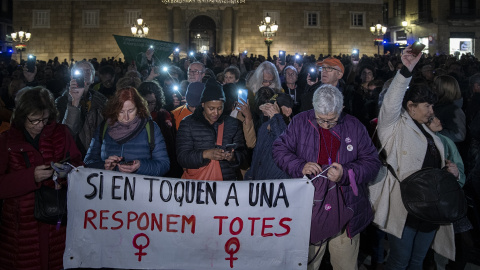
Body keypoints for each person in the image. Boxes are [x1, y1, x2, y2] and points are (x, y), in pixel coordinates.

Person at [273, 84, 381, 270]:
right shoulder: (300, 122)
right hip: (309, 211)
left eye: (331, 120)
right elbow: (279, 149)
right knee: (306, 265)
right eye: (320, 119)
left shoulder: (354, 126)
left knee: (345, 265)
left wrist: (345, 173)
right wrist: (300, 166)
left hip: (346, 210)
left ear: (341, 110)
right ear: (313, 109)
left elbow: (372, 163)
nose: (325, 125)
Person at [373, 45, 456, 269]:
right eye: (427, 105)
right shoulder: (394, 127)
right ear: (410, 107)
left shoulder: (430, 133)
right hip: (405, 208)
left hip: (430, 210)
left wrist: (451, 174)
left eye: (432, 105)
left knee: (417, 261)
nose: (431, 110)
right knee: (400, 261)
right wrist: (406, 70)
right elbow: (391, 102)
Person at [0, 86, 82, 270]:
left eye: (44, 119)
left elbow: (79, 166)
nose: (40, 125)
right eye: (34, 120)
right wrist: (31, 177)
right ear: (22, 116)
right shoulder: (7, 141)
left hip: (56, 227)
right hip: (20, 231)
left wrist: (67, 171)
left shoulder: (61, 133)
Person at [84, 87, 170, 177]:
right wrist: (104, 166)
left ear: (139, 108)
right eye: (121, 112)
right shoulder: (103, 127)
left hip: (139, 189)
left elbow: (164, 165)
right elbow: (88, 161)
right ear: (114, 109)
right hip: (108, 188)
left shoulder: (151, 128)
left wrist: (140, 166)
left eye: (130, 111)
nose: (126, 117)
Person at [176, 78, 247, 180]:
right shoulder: (188, 124)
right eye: (211, 108)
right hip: (198, 185)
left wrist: (233, 157)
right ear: (203, 104)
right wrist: (205, 154)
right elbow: (182, 157)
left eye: (219, 108)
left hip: (226, 184)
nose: (216, 113)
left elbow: (243, 154)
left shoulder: (233, 124)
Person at [56, 60, 107, 157]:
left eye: (89, 71)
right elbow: (66, 133)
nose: (85, 74)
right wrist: (75, 101)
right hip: (74, 155)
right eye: (81, 71)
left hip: (97, 154)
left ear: (93, 78)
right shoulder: (61, 102)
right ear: (72, 77)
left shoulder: (102, 101)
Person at [138, 81, 182, 178]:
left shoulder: (163, 116)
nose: (148, 106)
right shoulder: (132, 117)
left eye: (151, 102)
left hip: (160, 165)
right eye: (145, 102)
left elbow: (170, 144)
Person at [245, 91, 293, 180]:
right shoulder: (264, 127)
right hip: (261, 181)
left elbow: (284, 142)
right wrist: (250, 175)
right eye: (269, 106)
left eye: (275, 108)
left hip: (279, 182)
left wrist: (276, 116)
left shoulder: (295, 129)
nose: (270, 110)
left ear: (288, 111)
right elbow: (257, 154)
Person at [432, 75, 466, 143]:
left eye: (435, 86)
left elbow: (459, 135)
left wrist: (433, 133)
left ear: (442, 89)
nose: (433, 88)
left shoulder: (454, 110)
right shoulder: (438, 105)